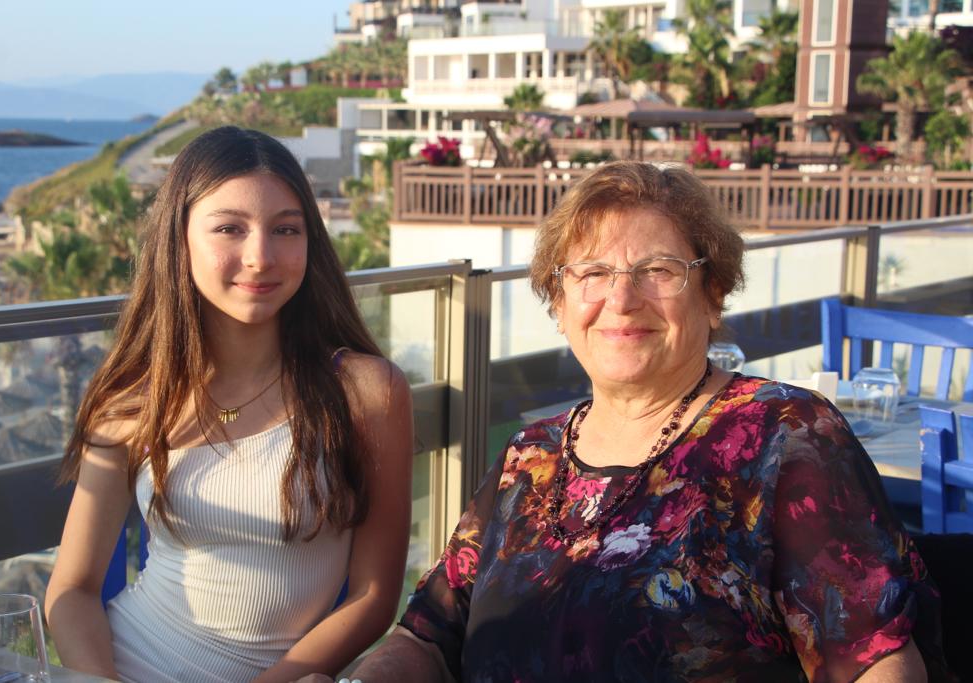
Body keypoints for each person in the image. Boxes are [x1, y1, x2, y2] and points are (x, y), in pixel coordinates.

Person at [347, 161, 952, 682]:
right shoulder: (531, 455)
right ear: (559, 304)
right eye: (592, 273)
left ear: (713, 295)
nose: (622, 299)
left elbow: (873, 660)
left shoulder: (785, 437)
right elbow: (428, 633)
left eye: (658, 270)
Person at [45, 126, 413, 683]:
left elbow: (372, 597)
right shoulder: (136, 397)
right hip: (120, 663)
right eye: (229, 228)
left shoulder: (365, 392)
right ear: (180, 239)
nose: (261, 257)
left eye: (285, 229)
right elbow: (72, 590)